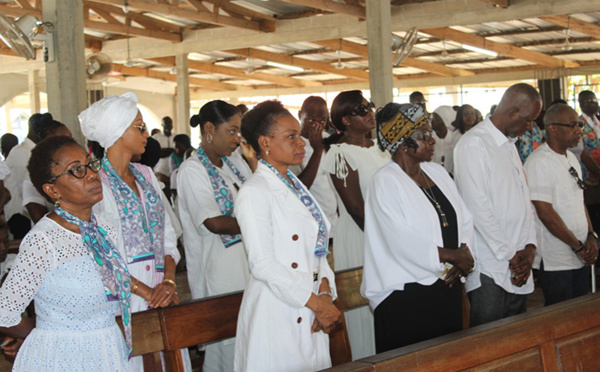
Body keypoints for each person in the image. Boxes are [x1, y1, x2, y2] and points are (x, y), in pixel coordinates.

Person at [78, 92, 191, 372]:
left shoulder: (147, 175)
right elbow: (99, 255)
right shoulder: (95, 183)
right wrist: (146, 292)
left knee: (167, 361)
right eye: (138, 127)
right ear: (117, 133)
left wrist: (168, 283)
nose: (146, 135)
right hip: (122, 291)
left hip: (159, 288)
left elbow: (168, 235)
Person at [0, 136, 131, 371]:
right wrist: (39, 334)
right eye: (77, 171)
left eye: (91, 164)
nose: (91, 174)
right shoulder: (45, 240)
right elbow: (3, 311)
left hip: (107, 348)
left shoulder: (106, 229)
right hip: (61, 357)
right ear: (52, 190)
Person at [234, 100, 342, 372]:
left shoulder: (294, 185)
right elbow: (263, 264)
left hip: (310, 305)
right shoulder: (254, 191)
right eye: (291, 136)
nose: (302, 143)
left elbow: (318, 249)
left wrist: (326, 292)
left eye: (299, 135)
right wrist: (316, 303)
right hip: (279, 310)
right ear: (264, 142)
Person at [362, 102, 474, 353]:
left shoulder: (438, 172)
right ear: (402, 143)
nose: (432, 140)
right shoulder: (385, 181)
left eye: (430, 133)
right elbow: (398, 240)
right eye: (424, 135)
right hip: (406, 296)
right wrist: (450, 256)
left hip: (447, 283)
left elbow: (464, 218)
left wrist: (464, 254)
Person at [454, 83, 542, 327]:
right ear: (513, 112)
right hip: (491, 265)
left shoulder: (509, 143)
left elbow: (525, 201)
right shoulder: (474, 144)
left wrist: (530, 247)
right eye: (528, 120)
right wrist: (510, 254)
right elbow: (477, 208)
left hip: (518, 261)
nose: (530, 127)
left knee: (517, 338)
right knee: (489, 343)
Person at [177, 100, 251, 372]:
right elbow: (214, 222)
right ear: (209, 128)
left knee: (249, 344)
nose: (237, 138)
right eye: (232, 131)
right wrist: (255, 223)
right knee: (226, 350)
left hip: (247, 266)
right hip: (218, 272)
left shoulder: (234, 164)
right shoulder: (192, 170)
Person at [323, 90, 389, 360]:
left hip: (386, 234)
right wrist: (386, 240)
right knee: (364, 311)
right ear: (346, 120)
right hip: (363, 236)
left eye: (369, 107)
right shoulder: (340, 154)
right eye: (361, 110)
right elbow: (356, 209)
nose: (370, 112)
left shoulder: (380, 149)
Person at [524, 104, 598, 306]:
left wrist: (590, 236)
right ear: (552, 128)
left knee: (581, 315)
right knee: (561, 320)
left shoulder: (572, 158)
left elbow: (579, 201)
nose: (579, 130)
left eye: (579, 124)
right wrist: (577, 246)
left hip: (580, 253)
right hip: (557, 259)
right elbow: (545, 212)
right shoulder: (539, 161)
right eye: (572, 125)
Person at [289, 96, 338, 234]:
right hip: (310, 226)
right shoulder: (292, 145)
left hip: (334, 223)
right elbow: (299, 188)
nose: (316, 125)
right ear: (300, 115)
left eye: (322, 120)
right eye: (311, 119)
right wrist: (317, 150)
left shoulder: (329, 140)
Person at [22, 116, 73, 224]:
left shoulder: (76, 167)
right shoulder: (36, 174)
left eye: (70, 137)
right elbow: (37, 215)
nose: (70, 143)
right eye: (62, 140)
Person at [4, 113, 43, 239]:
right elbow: (25, 190)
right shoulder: (22, 152)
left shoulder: (33, 150)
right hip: (19, 213)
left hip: (28, 211)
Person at [578, 90, 600, 233]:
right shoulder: (580, 124)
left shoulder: (597, 121)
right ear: (583, 103)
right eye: (592, 101)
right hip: (589, 177)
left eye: (595, 100)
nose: (596, 103)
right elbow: (583, 154)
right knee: (593, 212)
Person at [430, 105, 459, 174]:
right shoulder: (428, 139)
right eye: (431, 118)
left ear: (445, 120)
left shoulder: (456, 138)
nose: (432, 121)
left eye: (436, 119)